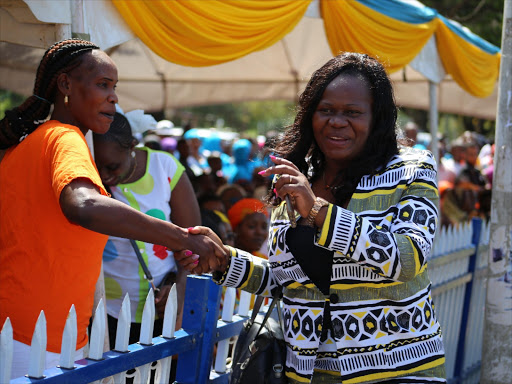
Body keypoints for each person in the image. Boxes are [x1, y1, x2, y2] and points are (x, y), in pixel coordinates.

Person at [177, 52, 445, 383]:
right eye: (327, 110)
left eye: (353, 113)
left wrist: (317, 210)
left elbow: (407, 258)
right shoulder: (294, 177)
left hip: (398, 369)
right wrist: (224, 262)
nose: (337, 121)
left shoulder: (411, 169)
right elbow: (284, 281)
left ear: (377, 119)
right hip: (309, 373)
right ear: (310, 115)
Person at [0, 39, 223, 379]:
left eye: (114, 87)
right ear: (65, 85)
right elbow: (84, 205)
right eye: (103, 85)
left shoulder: (29, 144)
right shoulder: (65, 137)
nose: (114, 97)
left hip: (22, 327)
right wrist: (182, 237)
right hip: (38, 336)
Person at [92, 111, 200, 348]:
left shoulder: (164, 167)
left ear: (132, 146)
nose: (105, 177)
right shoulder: (90, 180)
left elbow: (193, 238)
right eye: (97, 167)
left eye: (112, 166)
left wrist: (179, 286)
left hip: (164, 310)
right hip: (107, 311)